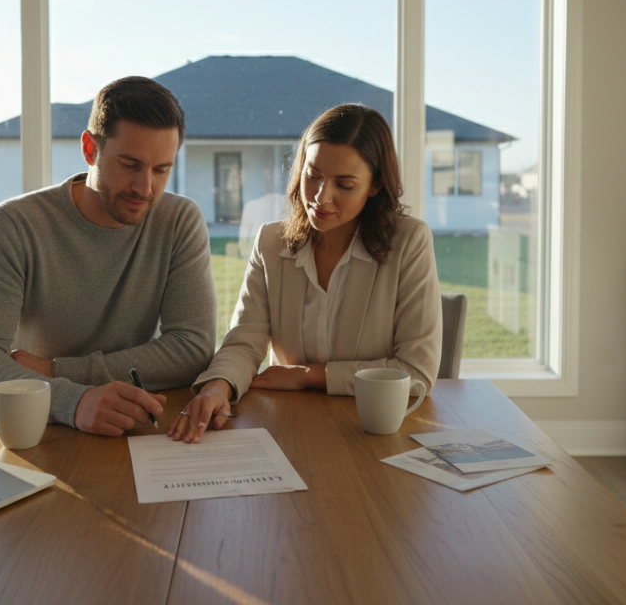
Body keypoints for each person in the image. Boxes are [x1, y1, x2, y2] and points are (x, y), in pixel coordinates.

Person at [0, 76, 217, 437]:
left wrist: (54, 371)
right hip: (40, 431)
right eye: (129, 164)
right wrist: (73, 400)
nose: (145, 188)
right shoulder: (15, 225)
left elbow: (193, 350)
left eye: (161, 170)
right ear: (90, 149)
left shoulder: (179, 221)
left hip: (131, 425)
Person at [168, 104, 441, 444]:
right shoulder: (270, 241)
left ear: (375, 186)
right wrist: (218, 386)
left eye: (344, 184)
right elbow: (244, 341)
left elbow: (416, 374)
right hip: (289, 429)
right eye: (313, 175)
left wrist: (311, 376)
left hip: (373, 433)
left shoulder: (410, 241)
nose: (321, 197)